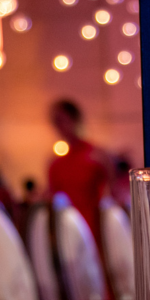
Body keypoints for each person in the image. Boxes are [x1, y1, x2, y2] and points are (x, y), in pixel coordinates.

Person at [47, 100, 111, 241]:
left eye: (61, 120)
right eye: (55, 122)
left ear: (75, 119)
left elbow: (113, 194)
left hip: (94, 229)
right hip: (67, 233)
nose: (59, 126)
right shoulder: (55, 164)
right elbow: (53, 197)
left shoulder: (96, 156)